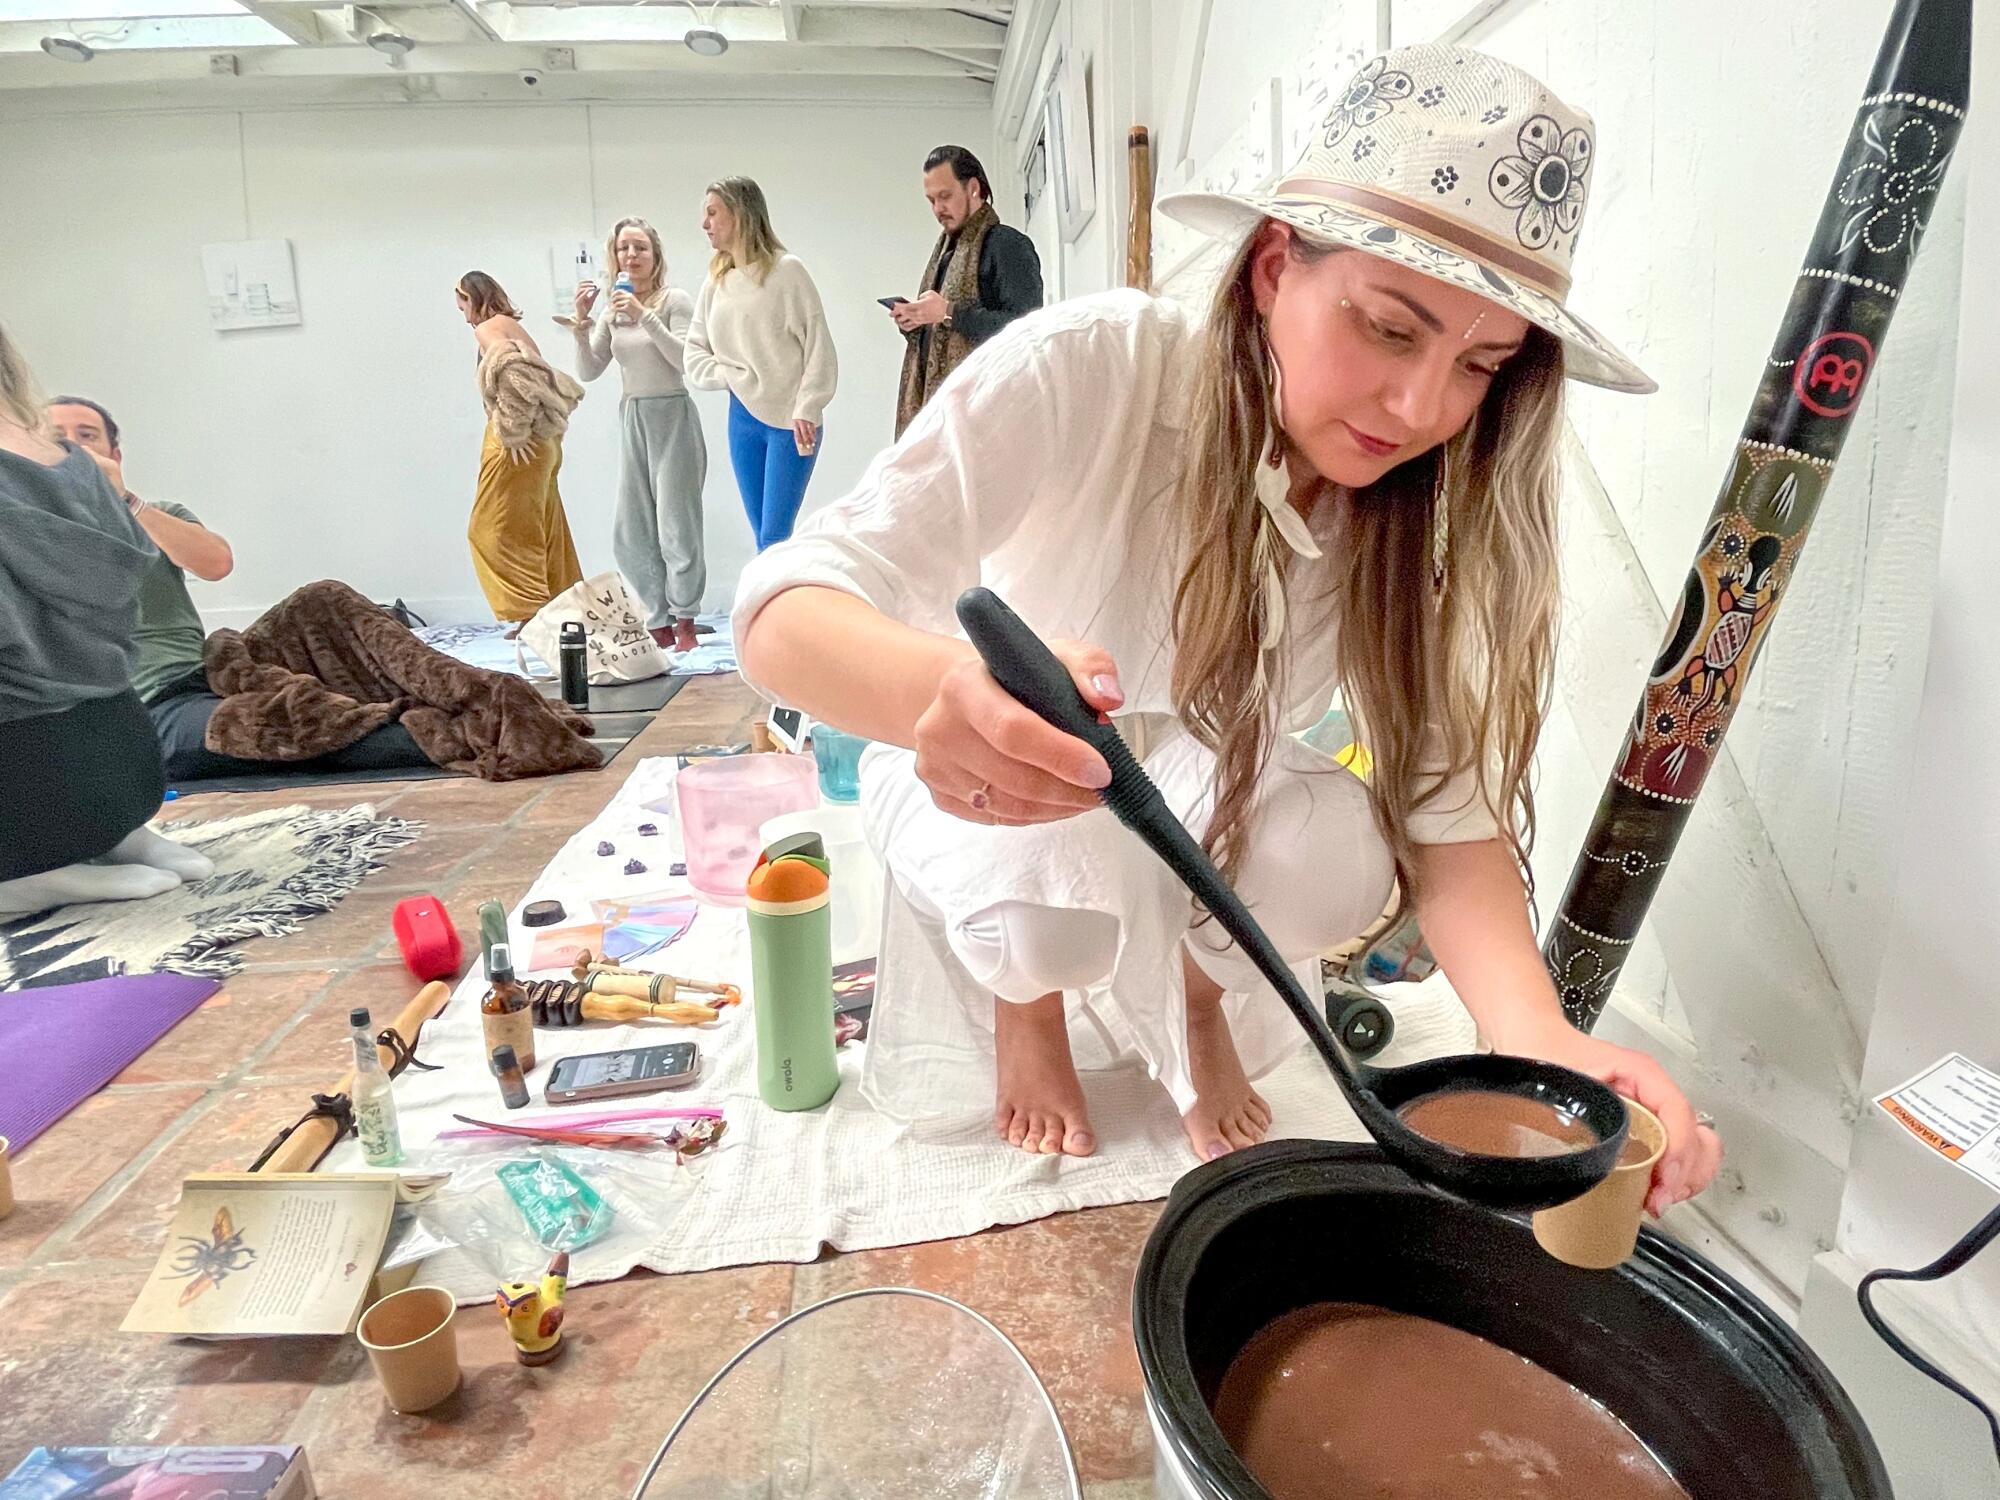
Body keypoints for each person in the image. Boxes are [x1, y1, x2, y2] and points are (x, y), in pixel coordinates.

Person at [735, 43, 1723, 1218]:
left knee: (1335, 853)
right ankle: (1026, 1004)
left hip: (1205, 768)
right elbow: (784, 607)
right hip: (1011, 767)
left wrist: (1541, 1040)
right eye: (1390, 330)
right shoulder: (1092, 366)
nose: (1419, 410)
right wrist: (930, 692)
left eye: (1478, 364)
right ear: (1268, 270)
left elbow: (1442, 814)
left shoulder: (1421, 508)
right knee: (1041, 893)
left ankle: (1198, 995)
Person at [45, 395, 434, 783]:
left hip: (215, 671)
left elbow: (215, 564)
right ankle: (440, 738)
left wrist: (124, 502)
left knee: (321, 604)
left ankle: (449, 700)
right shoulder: (25, 535)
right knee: (285, 728)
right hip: (151, 709)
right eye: (56, 436)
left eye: (86, 435)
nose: (72, 446)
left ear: (114, 453)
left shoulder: (156, 513)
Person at [0, 325, 212, 915]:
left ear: (115, 449)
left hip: (28, 762)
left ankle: (25, 879)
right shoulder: (75, 469)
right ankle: (119, 839)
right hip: (122, 749)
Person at [569, 216, 710, 655]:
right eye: (624, 248)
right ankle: (658, 620)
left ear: (656, 255)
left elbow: (685, 359)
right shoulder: (614, 308)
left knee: (677, 524)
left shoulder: (674, 300)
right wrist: (581, 323)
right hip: (632, 416)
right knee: (631, 530)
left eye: (640, 248)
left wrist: (645, 317)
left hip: (672, 414)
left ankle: (686, 618)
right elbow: (589, 371)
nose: (631, 256)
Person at [683, 178, 838, 552]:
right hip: (743, 417)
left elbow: (819, 345)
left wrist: (809, 405)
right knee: (763, 537)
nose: (705, 224)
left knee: (774, 537)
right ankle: (775, 610)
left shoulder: (788, 271)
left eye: (712, 212)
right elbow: (694, 350)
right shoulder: (716, 281)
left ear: (739, 214)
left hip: (792, 421)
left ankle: (775, 611)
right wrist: (728, 375)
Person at [458, 270, 586, 629]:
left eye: (463, 306)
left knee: (492, 530)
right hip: (544, 442)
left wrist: (513, 434)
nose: (465, 316)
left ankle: (531, 616)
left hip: (517, 445)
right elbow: (537, 373)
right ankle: (563, 612)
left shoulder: (488, 329)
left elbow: (515, 374)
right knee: (546, 527)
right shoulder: (512, 326)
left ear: (471, 298)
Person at [891, 144, 1044, 435]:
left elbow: (1028, 331)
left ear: (973, 188)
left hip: (990, 419)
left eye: (945, 196)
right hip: (942, 418)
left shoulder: (1007, 245)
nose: (938, 209)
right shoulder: (946, 255)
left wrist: (948, 313)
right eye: (931, 200)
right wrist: (916, 321)